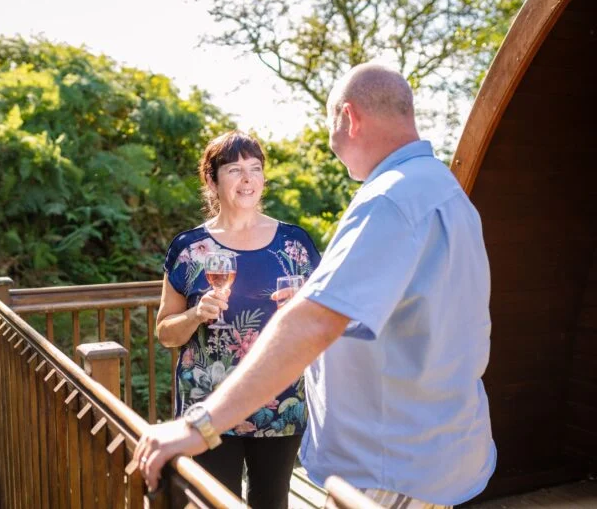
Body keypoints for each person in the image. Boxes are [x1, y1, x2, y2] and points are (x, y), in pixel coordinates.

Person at [134, 63, 496, 509]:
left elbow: (312, 323)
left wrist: (198, 426)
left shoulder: (389, 198)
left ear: (349, 117)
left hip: (393, 468)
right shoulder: (444, 189)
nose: (331, 142)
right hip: (438, 451)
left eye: (330, 126)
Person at [155, 130, 321, 508]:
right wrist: (195, 314)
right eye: (234, 170)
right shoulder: (189, 249)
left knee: (271, 502)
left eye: (255, 168)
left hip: (280, 403)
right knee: (214, 501)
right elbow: (165, 333)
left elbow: (325, 317)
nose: (248, 179)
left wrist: (303, 307)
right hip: (209, 407)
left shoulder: (295, 245)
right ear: (212, 180)